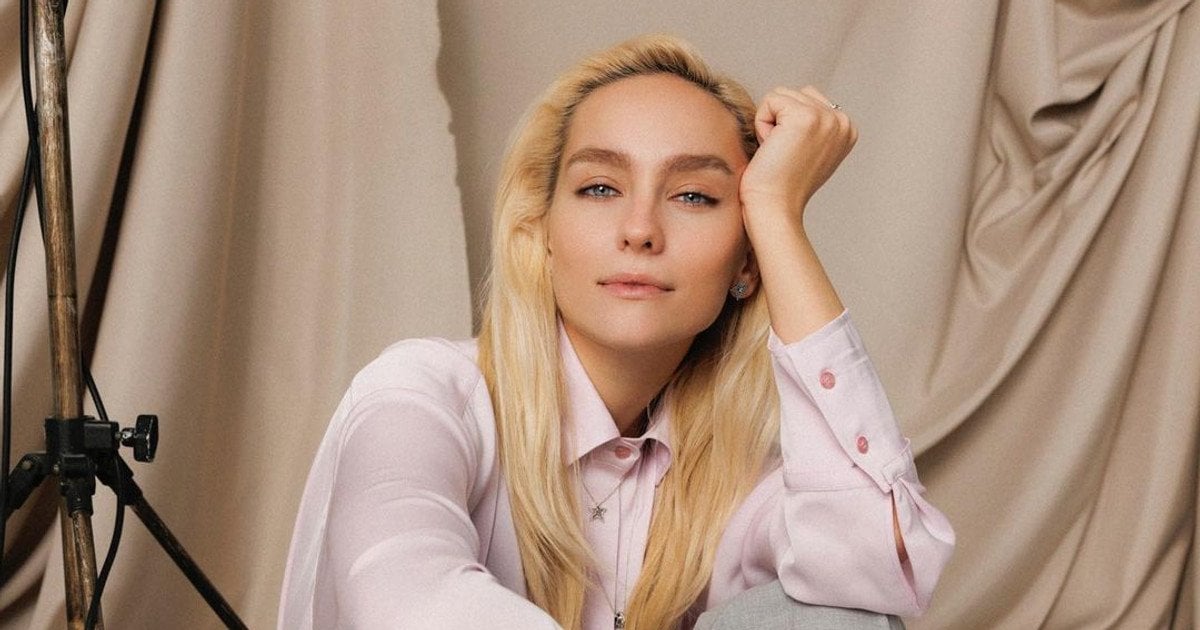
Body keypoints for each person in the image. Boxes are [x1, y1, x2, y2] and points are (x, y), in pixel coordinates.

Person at [278, 34, 955, 630]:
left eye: (693, 195)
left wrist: (778, 216)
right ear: (540, 231)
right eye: (600, 188)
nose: (639, 230)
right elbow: (405, 602)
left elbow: (875, 568)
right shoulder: (421, 396)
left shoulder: (732, 481)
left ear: (746, 262)